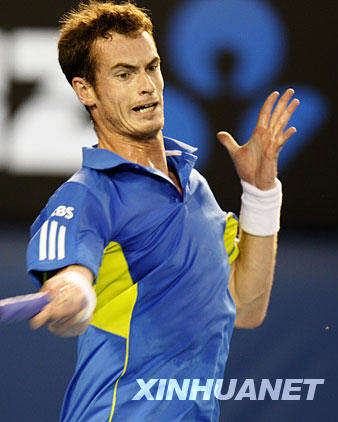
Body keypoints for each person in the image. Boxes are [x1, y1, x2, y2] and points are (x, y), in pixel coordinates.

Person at [26, 1, 299, 421]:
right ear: (86, 91)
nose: (147, 86)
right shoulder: (86, 196)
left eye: (151, 67)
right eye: (124, 74)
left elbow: (245, 306)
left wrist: (260, 193)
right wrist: (74, 294)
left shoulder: (194, 186)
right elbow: (71, 280)